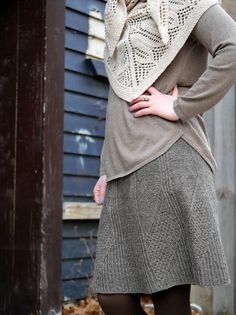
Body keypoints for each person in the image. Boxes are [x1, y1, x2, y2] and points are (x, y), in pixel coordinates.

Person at [90, 0, 236, 314]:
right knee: (112, 294)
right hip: (124, 164)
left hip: (169, 158)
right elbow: (120, 96)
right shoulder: (119, 13)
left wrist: (180, 107)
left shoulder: (186, 3)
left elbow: (233, 48)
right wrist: (107, 166)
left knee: (168, 299)